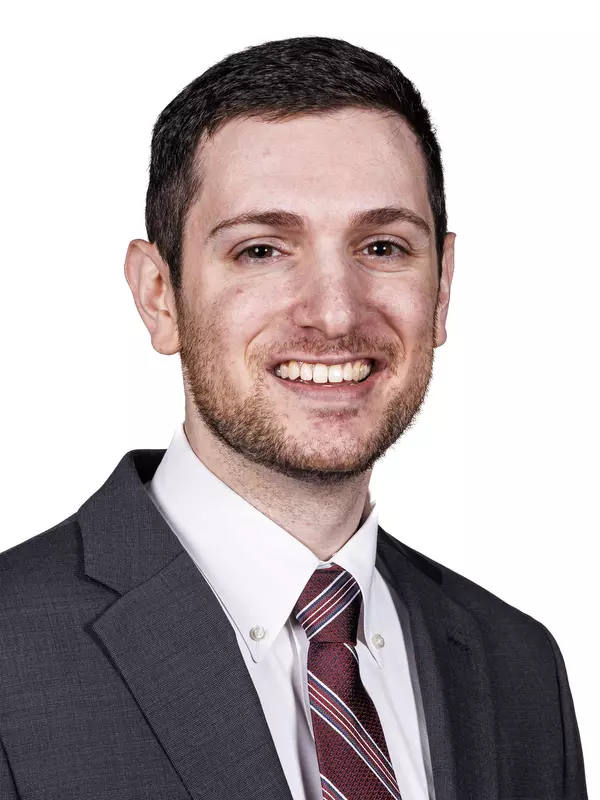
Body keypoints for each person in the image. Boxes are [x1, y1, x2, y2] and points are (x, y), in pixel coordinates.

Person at [0, 35, 587, 800]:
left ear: (440, 293)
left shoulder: (520, 667)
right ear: (159, 296)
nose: (336, 313)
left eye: (382, 245)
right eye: (262, 250)